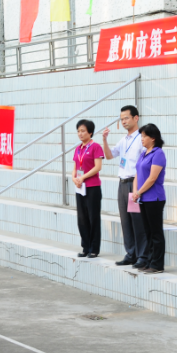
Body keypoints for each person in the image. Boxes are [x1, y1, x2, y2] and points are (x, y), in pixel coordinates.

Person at [101, 105, 147, 268]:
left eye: (127, 118)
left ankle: (142, 256)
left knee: (137, 221)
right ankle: (130, 253)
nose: (124, 121)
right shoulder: (124, 140)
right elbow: (109, 155)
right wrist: (104, 140)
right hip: (122, 184)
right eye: (121, 119)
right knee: (125, 221)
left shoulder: (141, 138)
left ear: (136, 118)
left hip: (134, 183)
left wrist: (138, 188)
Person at [131, 124, 167, 275]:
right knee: (148, 231)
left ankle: (157, 264)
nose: (142, 139)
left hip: (154, 198)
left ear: (153, 138)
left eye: (144, 136)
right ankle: (150, 260)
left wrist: (139, 192)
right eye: (141, 136)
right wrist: (135, 191)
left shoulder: (158, 154)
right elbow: (137, 174)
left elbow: (152, 178)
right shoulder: (143, 153)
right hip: (143, 198)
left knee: (155, 232)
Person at [72, 120, 105, 259]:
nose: (80, 133)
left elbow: (98, 167)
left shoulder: (95, 147)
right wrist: (74, 178)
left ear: (90, 132)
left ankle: (94, 249)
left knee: (93, 218)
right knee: (82, 218)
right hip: (80, 187)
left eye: (83, 131)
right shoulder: (78, 149)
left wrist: (83, 177)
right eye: (78, 131)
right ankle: (85, 247)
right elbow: (75, 167)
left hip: (92, 187)